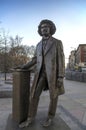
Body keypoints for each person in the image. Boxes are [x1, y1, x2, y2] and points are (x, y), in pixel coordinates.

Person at [19, 19, 65, 128]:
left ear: (51, 28)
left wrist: (60, 76)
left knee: (53, 97)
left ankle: (50, 117)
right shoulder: (38, 45)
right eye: (42, 27)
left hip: (53, 74)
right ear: (40, 30)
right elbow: (34, 60)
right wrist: (23, 66)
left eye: (46, 26)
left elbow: (61, 59)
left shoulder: (57, 42)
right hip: (40, 74)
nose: (44, 28)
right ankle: (30, 118)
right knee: (34, 95)